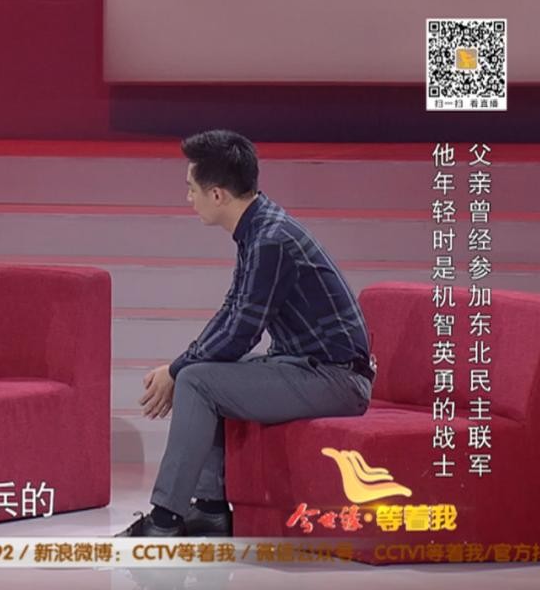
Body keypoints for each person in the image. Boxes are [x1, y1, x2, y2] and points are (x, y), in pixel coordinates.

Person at [117, 130, 375, 537]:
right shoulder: (259, 228)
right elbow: (232, 312)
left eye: (191, 189)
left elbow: (241, 332)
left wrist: (178, 370)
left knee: (197, 380)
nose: (188, 198)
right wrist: (182, 364)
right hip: (307, 366)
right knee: (202, 373)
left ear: (217, 194)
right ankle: (210, 508)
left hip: (336, 380)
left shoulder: (270, 239)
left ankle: (165, 520)